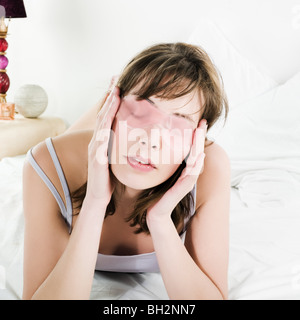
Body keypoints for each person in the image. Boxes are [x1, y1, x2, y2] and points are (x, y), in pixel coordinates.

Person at [22, 42, 231, 300]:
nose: (152, 138)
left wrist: (161, 219)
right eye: (143, 108)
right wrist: (96, 202)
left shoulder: (211, 168)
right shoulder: (48, 164)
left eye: (180, 120)